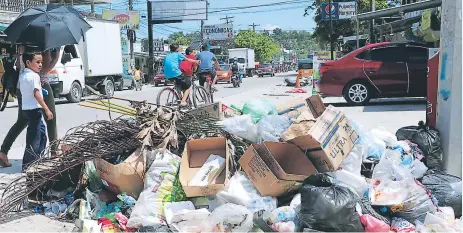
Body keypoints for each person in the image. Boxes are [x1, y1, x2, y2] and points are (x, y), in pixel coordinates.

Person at [0, 46, 59, 168]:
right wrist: (56, 56)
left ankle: (3, 151)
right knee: (50, 120)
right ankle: (53, 153)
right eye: (38, 62)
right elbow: (46, 68)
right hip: (40, 86)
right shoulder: (41, 42)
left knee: (22, 122)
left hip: (21, 87)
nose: (40, 63)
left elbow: (17, 63)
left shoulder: (22, 43)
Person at [18, 52, 54, 170]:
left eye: (41, 62)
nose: (40, 65)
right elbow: (36, 94)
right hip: (34, 109)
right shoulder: (34, 76)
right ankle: (29, 164)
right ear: (28, 63)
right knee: (34, 138)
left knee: (41, 134)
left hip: (27, 109)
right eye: (37, 62)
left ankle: (37, 158)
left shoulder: (23, 75)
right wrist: (47, 109)